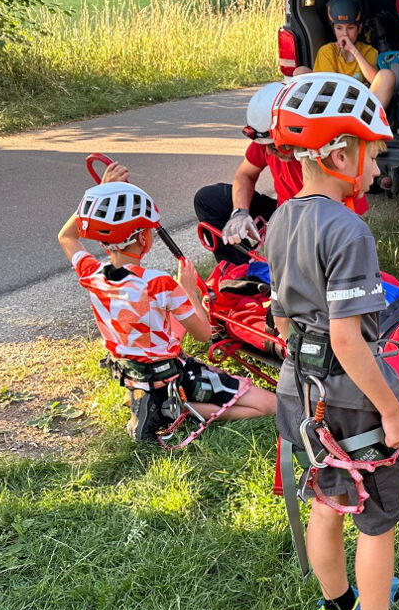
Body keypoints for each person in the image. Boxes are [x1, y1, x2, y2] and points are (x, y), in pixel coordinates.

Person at [265, 72, 399, 610]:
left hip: (300, 387)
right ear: (341, 153)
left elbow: (282, 314)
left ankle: (337, 607)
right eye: (373, 153)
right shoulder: (348, 229)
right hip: (350, 400)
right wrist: (392, 412)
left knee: (326, 496)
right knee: (376, 517)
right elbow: (348, 338)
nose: (376, 168)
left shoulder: (283, 217)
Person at [60, 162, 276, 442]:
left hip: (132, 374)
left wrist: (103, 193)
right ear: (143, 238)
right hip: (173, 375)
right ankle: (173, 407)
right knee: (270, 405)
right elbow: (205, 334)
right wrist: (190, 292)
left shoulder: (92, 273)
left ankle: (154, 399)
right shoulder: (160, 284)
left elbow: (66, 236)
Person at [194, 82, 370, 267]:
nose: (269, 153)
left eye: (275, 145)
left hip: (315, 226)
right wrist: (240, 213)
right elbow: (244, 175)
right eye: (266, 146)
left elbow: (348, 227)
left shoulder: (327, 156)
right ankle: (241, 274)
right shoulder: (268, 139)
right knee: (208, 199)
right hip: (284, 215)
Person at [296, 0, 396, 110]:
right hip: (333, 106)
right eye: (339, 28)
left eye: (350, 28)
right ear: (333, 29)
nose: (345, 34)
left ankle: (368, 124)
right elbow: (328, 86)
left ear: (359, 28)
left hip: (361, 108)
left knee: (387, 75)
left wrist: (354, 51)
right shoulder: (327, 51)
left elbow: (376, 81)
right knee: (300, 72)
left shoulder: (368, 51)